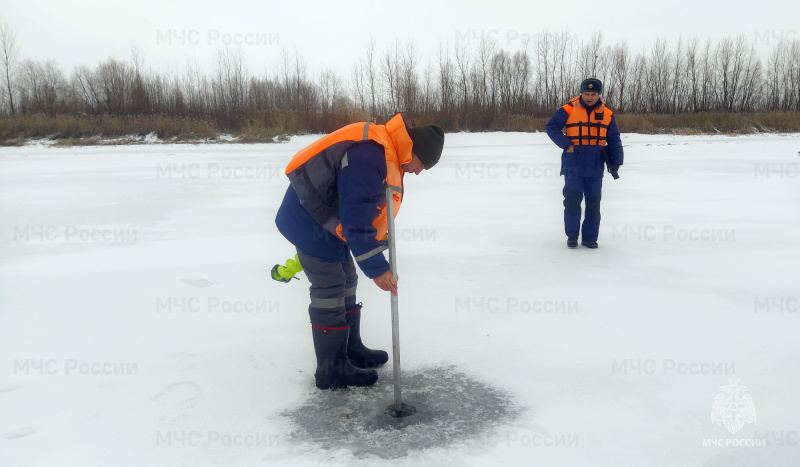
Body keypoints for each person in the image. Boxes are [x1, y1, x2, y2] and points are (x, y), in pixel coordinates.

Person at [275, 113, 444, 389]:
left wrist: (377, 246)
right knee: (330, 286)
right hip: (309, 219)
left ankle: (349, 350)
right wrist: (378, 269)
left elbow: (366, 210)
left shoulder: (388, 152)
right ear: (413, 150)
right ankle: (331, 370)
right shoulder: (370, 156)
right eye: (422, 164)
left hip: (330, 221)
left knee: (348, 279)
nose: (418, 172)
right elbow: (355, 218)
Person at [546, 78, 624, 249]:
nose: (589, 97)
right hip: (573, 165)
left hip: (595, 166)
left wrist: (617, 160)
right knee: (572, 201)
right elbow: (551, 127)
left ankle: (590, 238)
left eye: (593, 94)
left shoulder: (608, 114)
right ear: (581, 93)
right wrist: (567, 144)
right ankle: (572, 236)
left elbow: (614, 138)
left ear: (599, 95)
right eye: (586, 94)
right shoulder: (568, 108)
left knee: (594, 203)